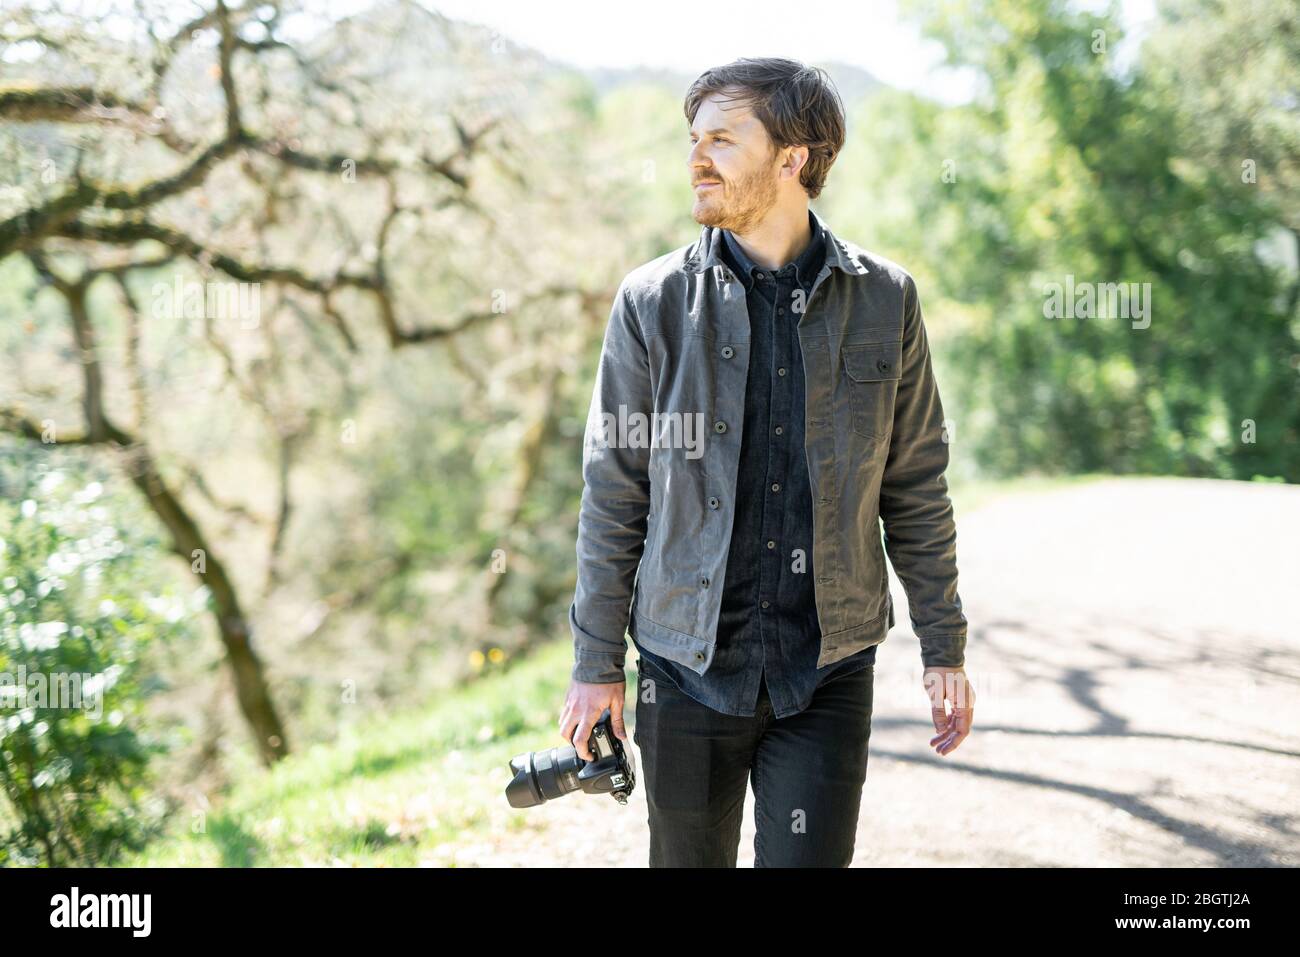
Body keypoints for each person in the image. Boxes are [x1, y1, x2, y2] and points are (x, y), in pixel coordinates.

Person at [558, 57, 975, 867]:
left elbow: (916, 482)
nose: (695, 158)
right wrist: (596, 663)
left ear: (794, 157)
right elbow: (616, 490)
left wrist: (943, 645)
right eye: (692, 138)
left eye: (721, 137)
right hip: (683, 669)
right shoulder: (651, 304)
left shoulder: (886, 300)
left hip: (826, 668)